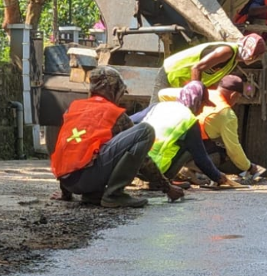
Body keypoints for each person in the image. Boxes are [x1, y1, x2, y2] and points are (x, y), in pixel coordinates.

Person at [51, 67, 182, 207]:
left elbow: (65, 148)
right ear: (115, 90)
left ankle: (93, 195)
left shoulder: (74, 107)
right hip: (86, 179)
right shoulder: (115, 114)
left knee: (94, 149)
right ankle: (114, 195)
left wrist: (66, 194)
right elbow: (143, 160)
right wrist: (167, 188)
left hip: (68, 182)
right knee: (145, 131)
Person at [134, 81, 242, 189]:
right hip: (156, 171)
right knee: (193, 146)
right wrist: (218, 177)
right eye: (203, 104)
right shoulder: (190, 121)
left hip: (135, 165)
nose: (202, 110)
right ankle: (164, 180)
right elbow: (201, 159)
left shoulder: (157, 106)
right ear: (197, 101)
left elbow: (132, 121)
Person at [197, 75, 267, 182]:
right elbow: (233, 149)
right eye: (238, 97)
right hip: (192, 148)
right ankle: (195, 171)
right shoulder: (226, 114)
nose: (237, 100)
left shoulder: (205, 93)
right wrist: (249, 167)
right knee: (222, 153)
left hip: (177, 142)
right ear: (233, 95)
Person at [159, 34, 267, 89]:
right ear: (253, 56)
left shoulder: (233, 60)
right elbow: (196, 68)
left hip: (178, 83)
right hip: (170, 74)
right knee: (154, 119)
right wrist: (195, 93)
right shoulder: (226, 51)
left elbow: (210, 81)